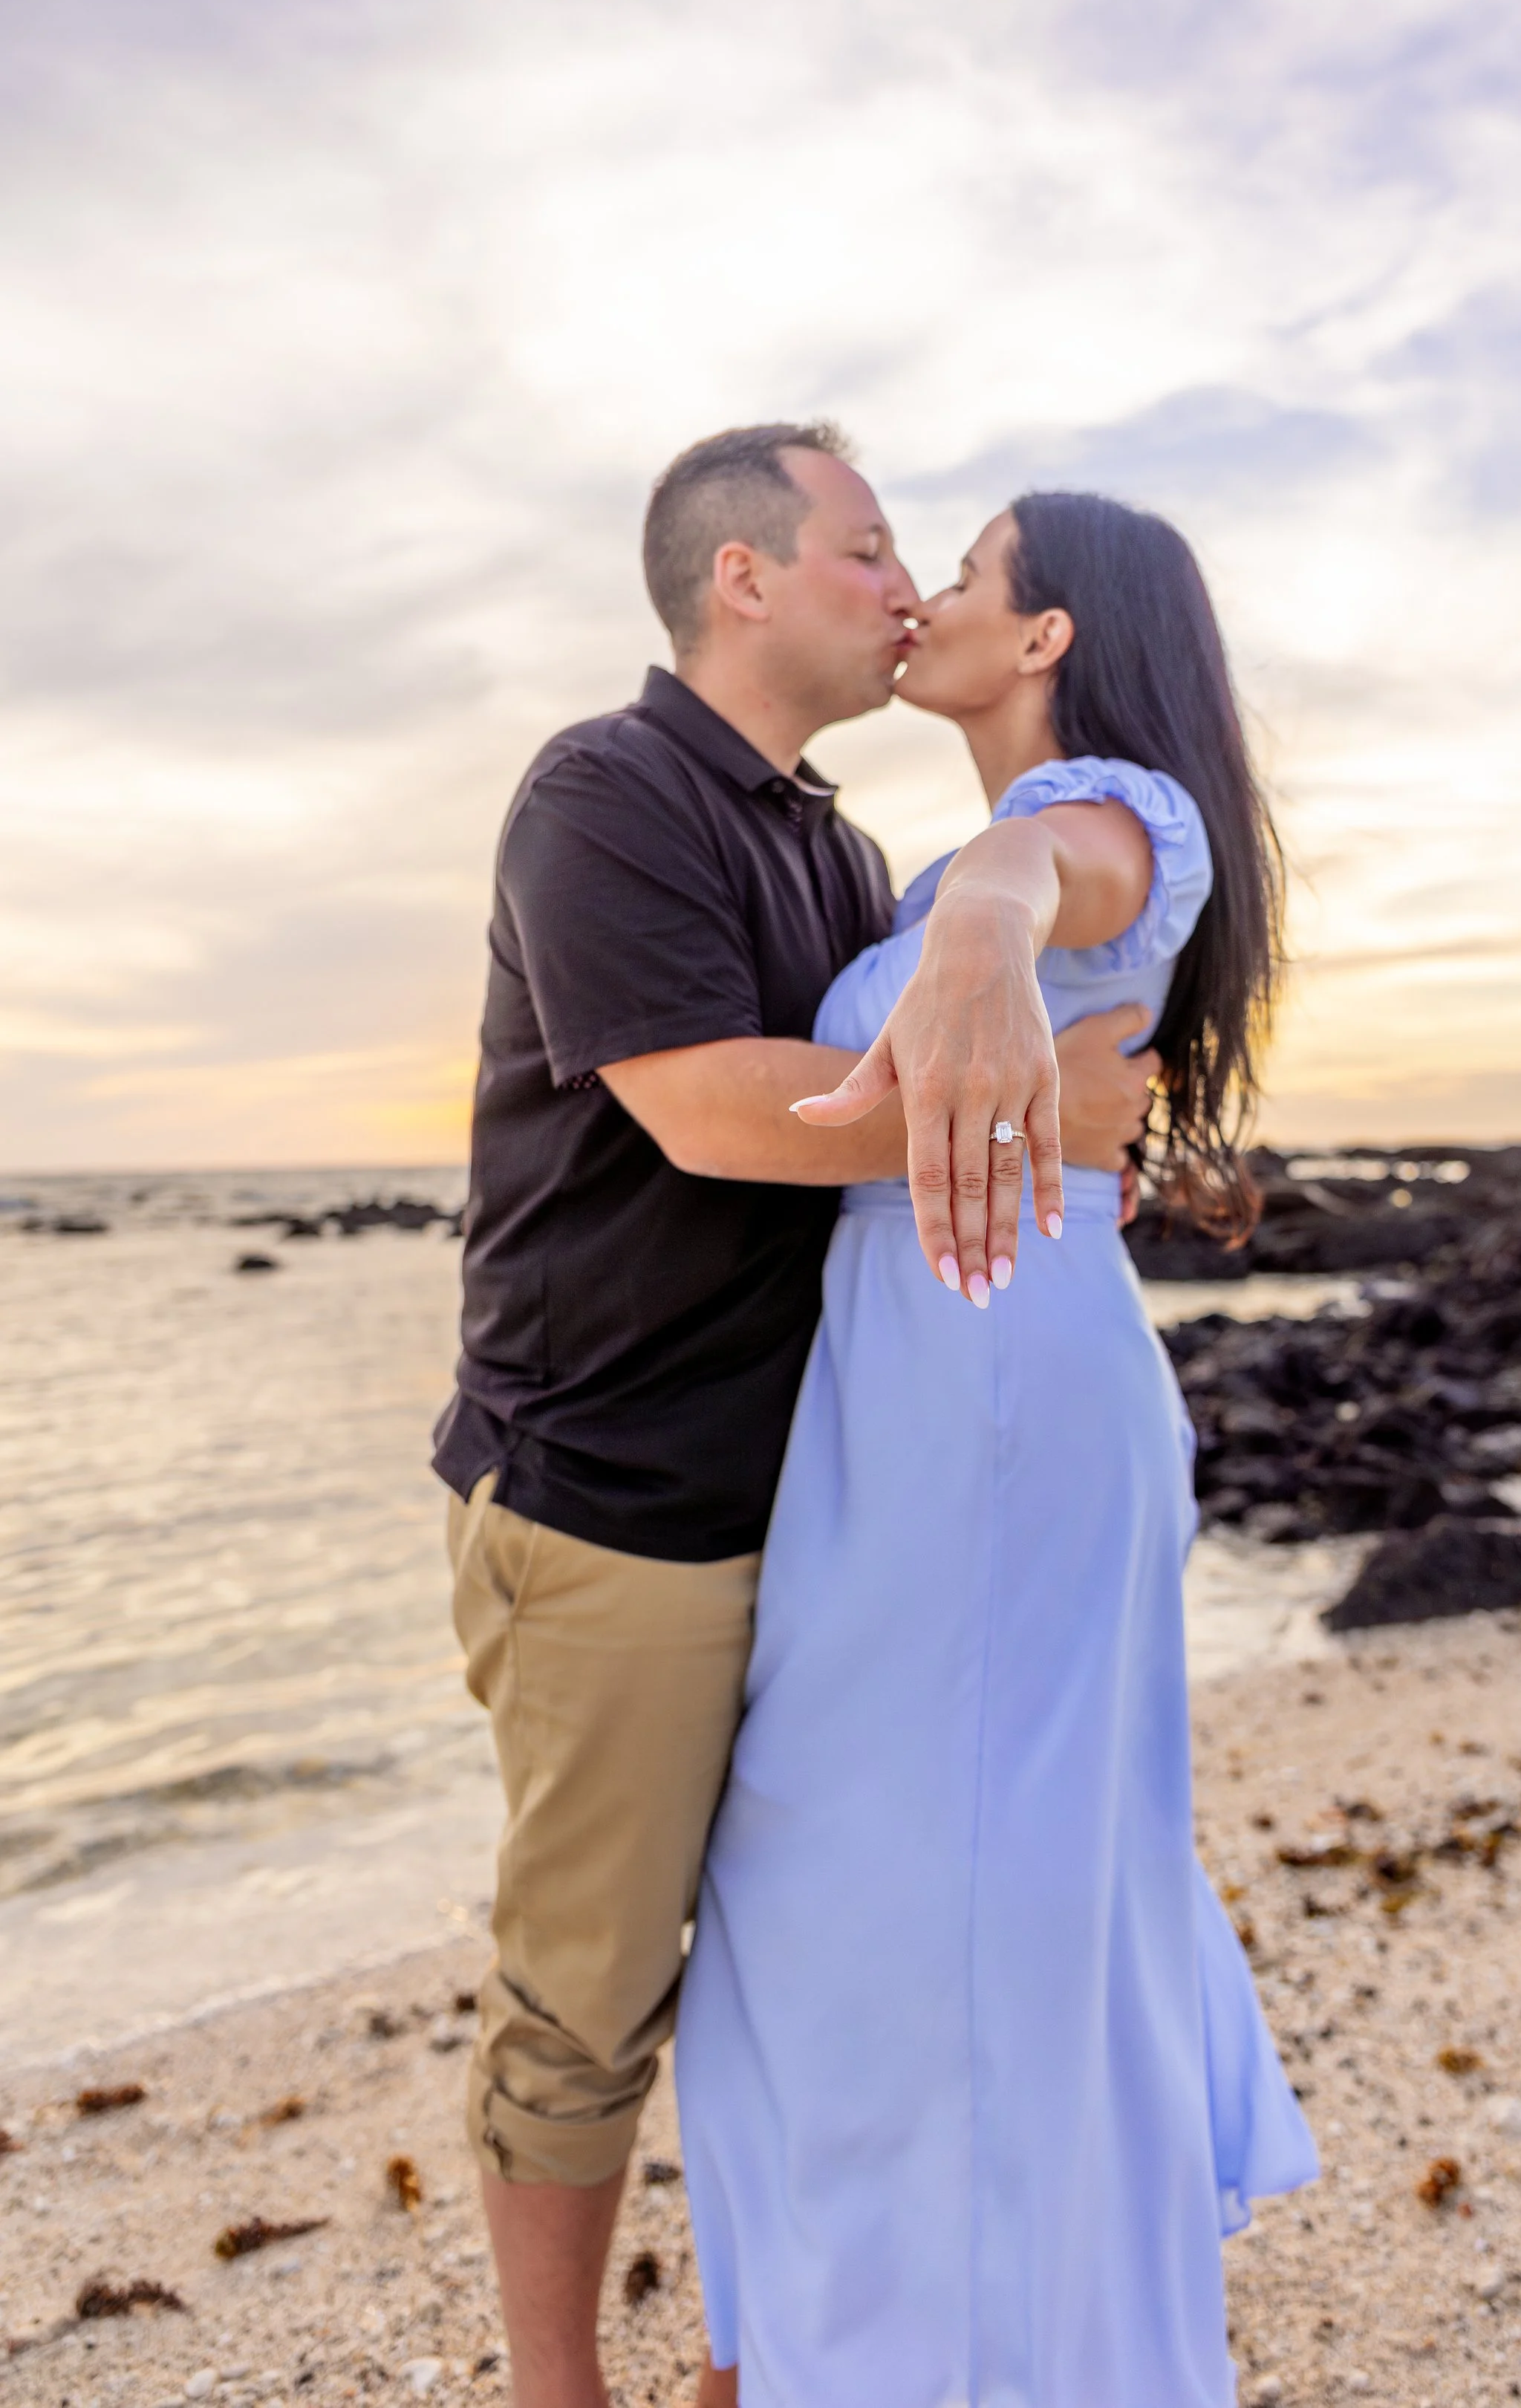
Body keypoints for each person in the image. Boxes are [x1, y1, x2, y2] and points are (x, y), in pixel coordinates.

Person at [433, 423, 1156, 2408]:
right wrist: (1033, 1110)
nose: (899, 582)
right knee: (591, 1993)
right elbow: (704, 1105)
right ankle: (554, 2390)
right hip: (618, 1493)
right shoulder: (607, 789)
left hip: (814, 1502)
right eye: (863, 546)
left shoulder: (831, 842)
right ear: (739, 578)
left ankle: (777, 2337)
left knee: (788, 1955)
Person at [676, 491, 1320, 2407]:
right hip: (919, 1377)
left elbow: (1066, 880)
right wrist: (957, 910)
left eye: (959, 569)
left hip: (1002, 1387)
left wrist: (980, 914)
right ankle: (846, 2335)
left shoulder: (1109, 818)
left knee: (940, 1886)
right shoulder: (939, 859)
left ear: (1043, 637)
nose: (924, 597)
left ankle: (987, 2350)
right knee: (842, 1874)